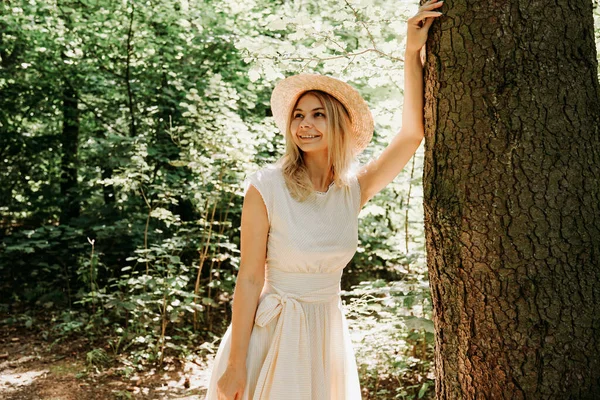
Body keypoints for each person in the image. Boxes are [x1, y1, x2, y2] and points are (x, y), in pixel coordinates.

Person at [205, 1, 443, 399]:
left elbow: (411, 135)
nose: (305, 124)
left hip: (327, 335)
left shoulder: (353, 189)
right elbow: (248, 279)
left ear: (338, 124)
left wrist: (410, 52)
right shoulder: (266, 187)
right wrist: (235, 364)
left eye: (317, 115)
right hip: (270, 332)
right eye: (298, 115)